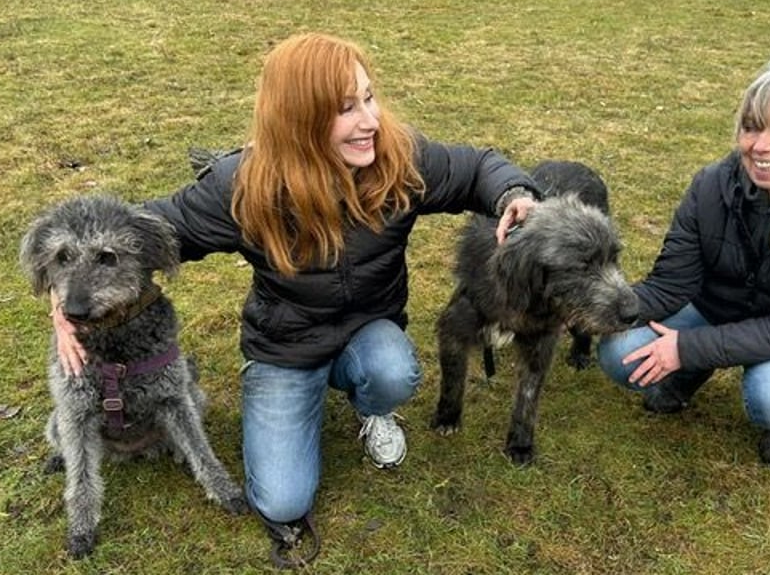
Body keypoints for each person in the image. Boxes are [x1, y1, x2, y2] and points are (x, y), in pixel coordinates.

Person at [50, 32, 540, 566]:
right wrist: (67, 299)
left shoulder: (397, 158)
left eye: (369, 98)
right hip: (285, 345)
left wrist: (515, 195)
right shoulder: (240, 187)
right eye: (345, 109)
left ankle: (373, 410)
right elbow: (133, 232)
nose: (370, 121)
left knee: (394, 371)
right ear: (297, 120)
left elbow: (477, 168)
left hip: (368, 329)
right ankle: (280, 393)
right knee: (283, 500)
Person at [596, 53, 770, 470]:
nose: (760, 146)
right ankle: (691, 370)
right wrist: (598, 310)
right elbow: (671, 284)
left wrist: (689, 347)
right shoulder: (710, 185)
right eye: (751, 127)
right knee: (620, 349)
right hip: (715, 310)